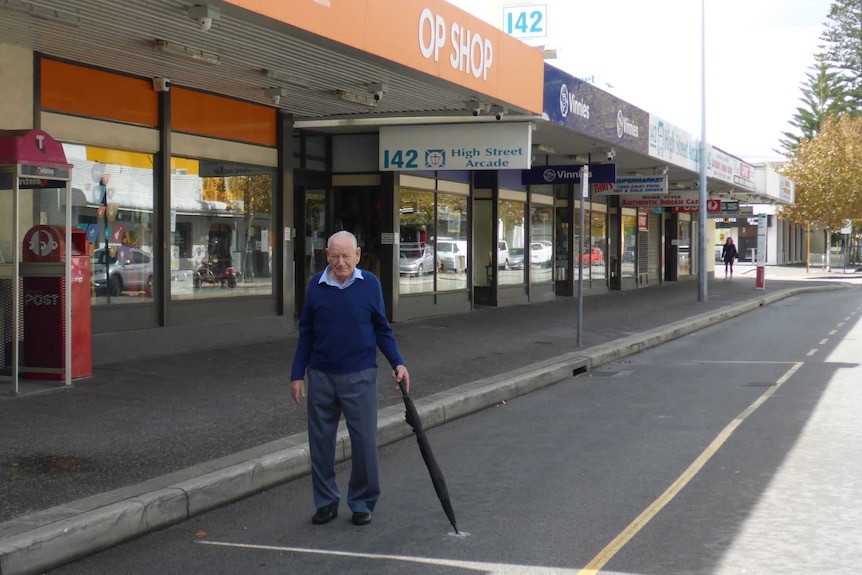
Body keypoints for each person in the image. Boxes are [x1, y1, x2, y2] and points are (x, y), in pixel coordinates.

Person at [290, 230, 410, 527]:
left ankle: (362, 502)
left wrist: (398, 362)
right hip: (320, 375)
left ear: (358, 254)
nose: (340, 262)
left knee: (365, 442)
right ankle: (326, 502)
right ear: (326, 256)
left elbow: (382, 329)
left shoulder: (370, 285)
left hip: (360, 375)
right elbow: (306, 333)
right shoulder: (315, 286)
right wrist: (297, 375)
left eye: (346, 255)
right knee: (320, 444)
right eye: (334, 256)